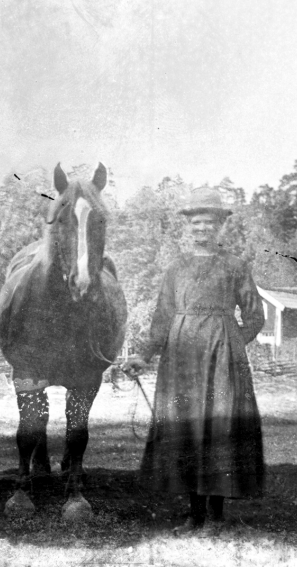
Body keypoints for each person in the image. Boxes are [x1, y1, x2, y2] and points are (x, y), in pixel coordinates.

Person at [122, 187, 265, 532]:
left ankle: (215, 518)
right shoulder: (176, 269)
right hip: (181, 361)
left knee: (219, 430)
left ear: (219, 228)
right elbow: (162, 318)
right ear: (189, 228)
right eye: (196, 224)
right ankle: (194, 515)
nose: (202, 229)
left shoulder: (235, 266)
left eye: (208, 224)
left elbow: (255, 316)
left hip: (221, 361)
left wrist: (231, 346)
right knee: (186, 431)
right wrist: (143, 354)